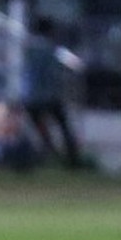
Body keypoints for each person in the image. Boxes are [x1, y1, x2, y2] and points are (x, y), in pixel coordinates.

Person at [20, 17, 84, 170]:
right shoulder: (53, 49)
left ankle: (47, 153)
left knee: (39, 128)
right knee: (64, 127)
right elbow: (72, 65)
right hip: (50, 95)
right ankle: (71, 160)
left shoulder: (29, 49)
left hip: (33, 97)